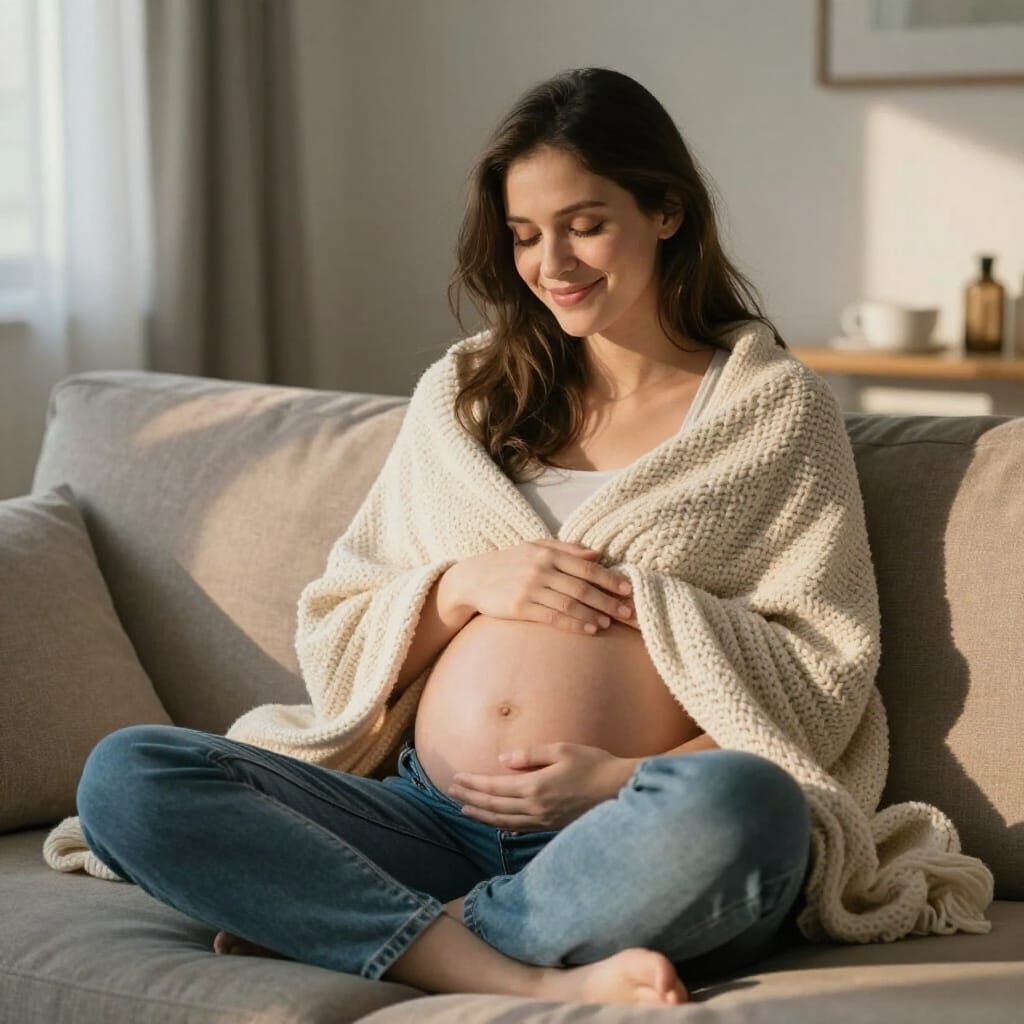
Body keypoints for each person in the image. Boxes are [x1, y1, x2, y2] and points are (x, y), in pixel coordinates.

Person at [75, 67, 818, 1008]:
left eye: (585, 223)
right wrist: (462, 586)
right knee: (129, 774)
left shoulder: (771, 410)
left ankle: (374, 927)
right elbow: (341, 619)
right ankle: (507, 967)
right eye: (524, 235)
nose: (553, 262)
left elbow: (818, 672)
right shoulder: (467, 392)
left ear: (666, 211)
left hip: (621, 829)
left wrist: (619, 778)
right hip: (423, 819)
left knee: (746, 808)